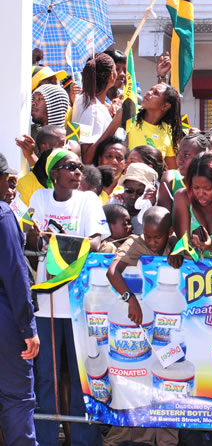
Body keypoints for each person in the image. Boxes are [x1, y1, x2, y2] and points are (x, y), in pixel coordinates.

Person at [27, 149, 109, 446]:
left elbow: (97, 241)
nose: (78, 172)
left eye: (79, 166)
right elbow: (32, 237)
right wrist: (37, 237)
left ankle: (84, 441)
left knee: (81, 379)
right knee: (45, 377)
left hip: (79, 304)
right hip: (46, 305)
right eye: (70, 167)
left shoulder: (88, 200)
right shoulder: (40, 198)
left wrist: (59, 242)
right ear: (54, 173)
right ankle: (46, 440)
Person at [104, 206, 179, 446]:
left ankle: (167, 440)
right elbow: (112, 272)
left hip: (169, 331)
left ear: (170, 232)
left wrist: (180, 254)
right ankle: (139, 439)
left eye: (158, 237)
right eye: (148, 236)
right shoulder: (135, 244)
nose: (152, 242)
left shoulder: (177, 243)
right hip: (142, 328)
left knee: (167, 386)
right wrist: (131, 299)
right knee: (141, 386)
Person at [0, 152, 39, 446]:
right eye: (9, 179)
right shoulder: (3, 214)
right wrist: (28, 328)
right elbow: (15, 274)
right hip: (5, 316)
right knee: (17, 398)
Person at [173, 153, 212, 259]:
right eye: (196, 187)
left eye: (207, 188)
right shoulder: (183, 198)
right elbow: (186, 249)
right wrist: (190, 247)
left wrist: (211, 246)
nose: (200, 194)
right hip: (194, 268)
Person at [125, 83, 182, 169]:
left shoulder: (168, 131)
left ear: (165, 106)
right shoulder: (130, 119)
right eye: (150, 89)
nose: (148, 93)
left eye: (155, 93)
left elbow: (172, 169)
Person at [73, 53, 116, 160]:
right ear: (111, 76)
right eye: (116, 69)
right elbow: (87, 158)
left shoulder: (82, 99)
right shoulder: (94, 110)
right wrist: (115, 124)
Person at [158, 132, 210, 209]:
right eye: (178, 154)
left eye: (186, 155)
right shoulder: (170, 179)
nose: (180, 159)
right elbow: (163, 213)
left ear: (203, 157)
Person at [110, 163, 159, 235]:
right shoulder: (116, 201)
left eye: (140, 192)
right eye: (129, 191)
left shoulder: (157, 211)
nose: (133, 196)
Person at [93, 136, 128, 203]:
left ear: (125, 164)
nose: (114, 161)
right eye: (109, 156)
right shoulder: (88, 186)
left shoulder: (128, 190)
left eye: (119, 158)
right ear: (99, 160)